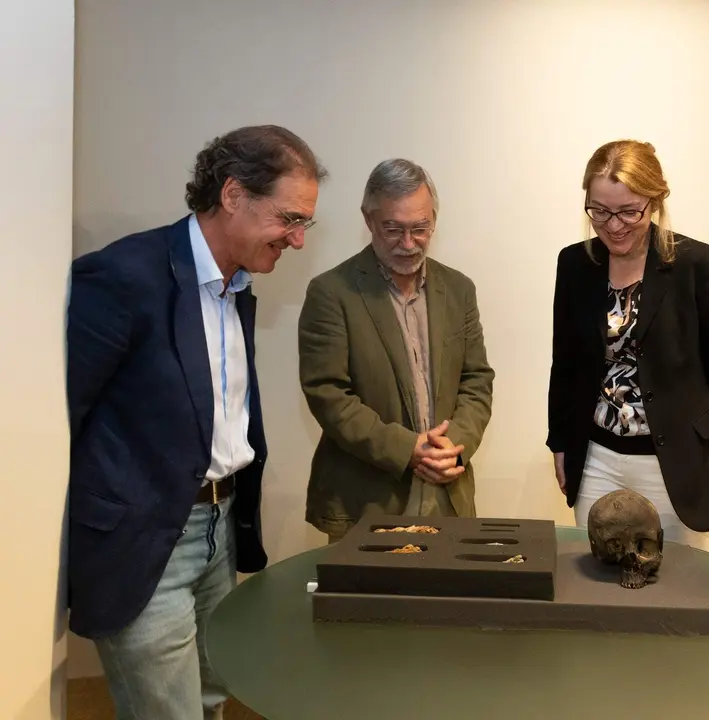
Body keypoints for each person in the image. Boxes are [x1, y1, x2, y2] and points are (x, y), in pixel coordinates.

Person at [66, 125, 326, 719]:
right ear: (232, 195)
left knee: (212, 700)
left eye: (304, 223)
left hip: (219, 532)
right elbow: (61, 417)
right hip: (145, 544)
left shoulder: (235, 287)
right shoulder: (124, 277)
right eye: (290, 219)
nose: (298, 239)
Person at [546, 139, 709, 546]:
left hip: (678, 462)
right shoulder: (574, 264)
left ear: (656, 201)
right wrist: (559, 441)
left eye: (629, 211)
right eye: (600, 211)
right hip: (596, 459)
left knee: (678, 587)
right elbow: (565, 363)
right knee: (597, 583)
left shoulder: (697, 264)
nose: (613, 225)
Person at [298, 158, 495, 542]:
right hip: (366, 504)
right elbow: (329, 395)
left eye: (420, 229)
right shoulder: (332, 293)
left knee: (448, 603)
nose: (408, 244)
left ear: (434, 220)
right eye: (393, 229)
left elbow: (476, 380)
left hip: (448, 497)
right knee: (366, 605)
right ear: (368, 220)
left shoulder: (458, 290)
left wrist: (454, 446)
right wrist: (407, 449)